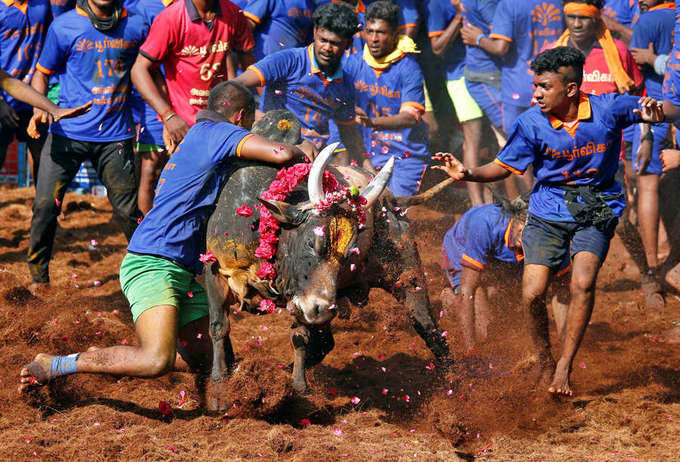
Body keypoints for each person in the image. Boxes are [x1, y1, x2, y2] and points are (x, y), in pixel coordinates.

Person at [18, 81, 314, 392]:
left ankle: (102, 357)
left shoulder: (197, 136)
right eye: (249, 122)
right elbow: (280, 153)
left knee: (216, 360)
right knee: (155, 360)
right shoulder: (221, 133)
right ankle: (58, 363)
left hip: (180, 267)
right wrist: (303, 150)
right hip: (153, 262)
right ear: (240, 117)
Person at [433, 47, 666, 396]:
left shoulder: (609, 108)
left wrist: (657, 113)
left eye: (544, 86)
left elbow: (665, 108)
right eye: (535, 86)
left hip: (596, 208)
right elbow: (503, 166)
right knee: (533, 293)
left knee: (582, 284)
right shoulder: (530, 123)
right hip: (546, 211)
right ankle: (544, 358)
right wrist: (468, 174)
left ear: (570, 89)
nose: (535, 93)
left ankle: (563, 367)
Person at [26, 0, 148, 286]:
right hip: (66, 135)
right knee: (45, 207)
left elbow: (148, 69)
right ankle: (38, 279)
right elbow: (41, 75)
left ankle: (151, 271)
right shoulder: (65, 26)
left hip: (115, 137)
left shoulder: (137, 24)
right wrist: (39, 109)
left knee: (129, 212)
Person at [235, 1, 366, 165]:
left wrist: (368, 168)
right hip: (275, 149)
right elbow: (234, 87)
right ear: (315, 31)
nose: (326, 48)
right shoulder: (288, 60)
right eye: (322, 40)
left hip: (314, 163)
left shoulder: (345, 84)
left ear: (347, 44)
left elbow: (348, 133)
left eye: (335, 43)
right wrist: (267, 120)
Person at [441, 195, 570, 354]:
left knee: (510, 304)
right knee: (484, 332)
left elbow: (562, 291)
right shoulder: (485, 224)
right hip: (461, 248)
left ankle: (489, 291)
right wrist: (470, 351)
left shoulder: (552, 239)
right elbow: (468, 289)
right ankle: (453, 302)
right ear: (520, 225)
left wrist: (566, 349)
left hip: (499, 256)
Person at [130, 0, 256, 162]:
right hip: (184, 126)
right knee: (167, 178)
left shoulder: (233, 13)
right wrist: (168, 117)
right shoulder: (171, 17)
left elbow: (250, 64)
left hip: (222, 122)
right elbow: (139, 70)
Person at [329, 1, 429, 195]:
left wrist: (372, 122)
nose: (373, 39)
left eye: (381, 33)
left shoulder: (409, 68)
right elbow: (337, 107)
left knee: (396, 211)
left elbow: (411, 117)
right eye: (370, 31)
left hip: (404, 156)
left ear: (394, 34)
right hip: (366, 154)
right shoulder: (352, 64)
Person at [628, 0, 675, 307]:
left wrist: (644, 131)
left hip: (657, 107)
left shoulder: (649, 20)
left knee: (646, 184)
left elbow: (634, 78)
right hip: (668, 110)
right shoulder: (673, 15)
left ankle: (652, 272)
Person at [130, 0, 174, 215]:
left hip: (186, 99)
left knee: (177, 169)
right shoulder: (143, 8)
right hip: (152, 101)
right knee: (151, 168)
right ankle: (145, 229)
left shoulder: (195, 7)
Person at [0, 0, 52, 179]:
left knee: (42, 156)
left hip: (33, 96)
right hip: (4, 97)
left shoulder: (42, 5)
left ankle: (41, 205)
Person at [241, 0, 315, 61]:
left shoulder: (311, 5)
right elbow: (246, 27)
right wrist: (245, 57)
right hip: (261, 61)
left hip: (290, 65)